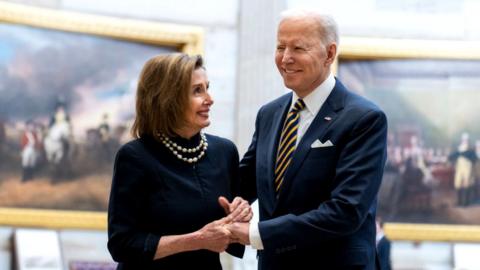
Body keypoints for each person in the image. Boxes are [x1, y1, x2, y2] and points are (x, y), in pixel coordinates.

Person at [225, 9, 388, 270]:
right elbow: (243, 183)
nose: (286, 58)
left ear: (330, 53)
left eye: (298, 48)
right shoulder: (269, 114)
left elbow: (346, 211)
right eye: (280, 47)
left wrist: (257, 234)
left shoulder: (365, 119)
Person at [107, 54, 252, 269]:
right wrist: (197, 240)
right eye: (197, 91)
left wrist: (240, 214)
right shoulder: (135, 156)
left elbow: (229, 235)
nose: (209, 99)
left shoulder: (225, 151)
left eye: (207, 88)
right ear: (168, 98)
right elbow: (122, 245)